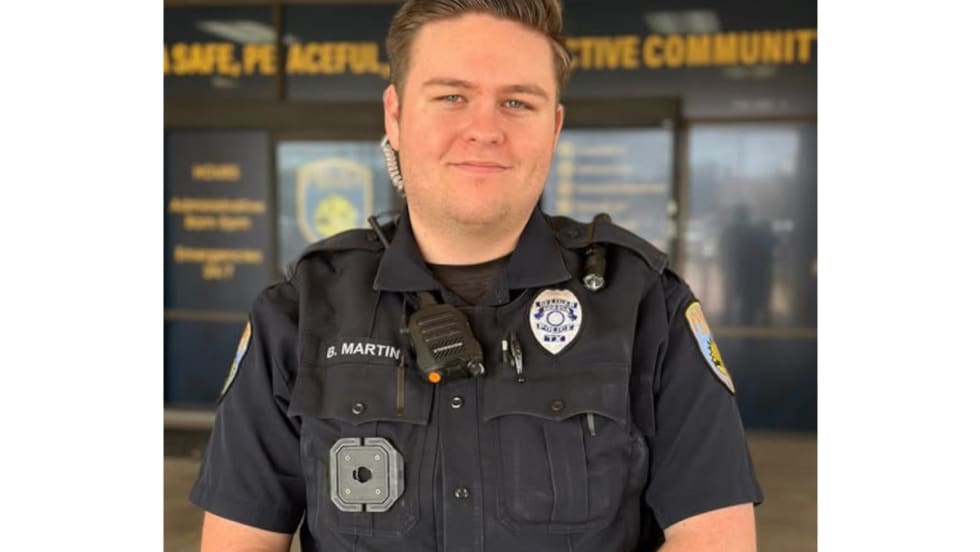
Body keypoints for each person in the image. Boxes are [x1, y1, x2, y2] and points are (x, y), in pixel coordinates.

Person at [189, 1, 763, 550]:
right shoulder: (301, 311)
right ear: (395, 115)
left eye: (517, 102)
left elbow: (715, 539)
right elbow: (242, 540)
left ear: (554, 126)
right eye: (452, 96)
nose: (484, 129)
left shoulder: (644, 304)